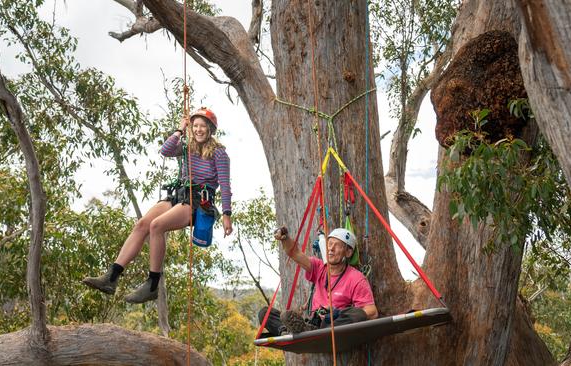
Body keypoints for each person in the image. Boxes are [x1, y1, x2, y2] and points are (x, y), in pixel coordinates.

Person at [83, 107, 233, 303]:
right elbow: (166, 150)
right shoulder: (188, 147)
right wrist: (180, 130)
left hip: (198, 200)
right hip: (179, 194)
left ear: (211, 129)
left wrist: (226, 215)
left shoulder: (219, 154)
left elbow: (225, 184)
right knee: (143, 224)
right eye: (195, 126)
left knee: (157, 226)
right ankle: (111, 277)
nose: (198, 130)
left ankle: (152, 284)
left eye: (202, 126)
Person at [258, 226, 378, 336]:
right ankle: (292, 330)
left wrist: (336, 312)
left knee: (357, 313)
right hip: (313, 323)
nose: (331, 248)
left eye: (337, 245)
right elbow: (294, 253)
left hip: (334, 325)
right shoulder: (319, 267)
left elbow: (372, 312)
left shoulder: (356, 278)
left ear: (348, 252)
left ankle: (296, 331)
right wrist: (285, 238)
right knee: (265, 313)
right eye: (329, 244)